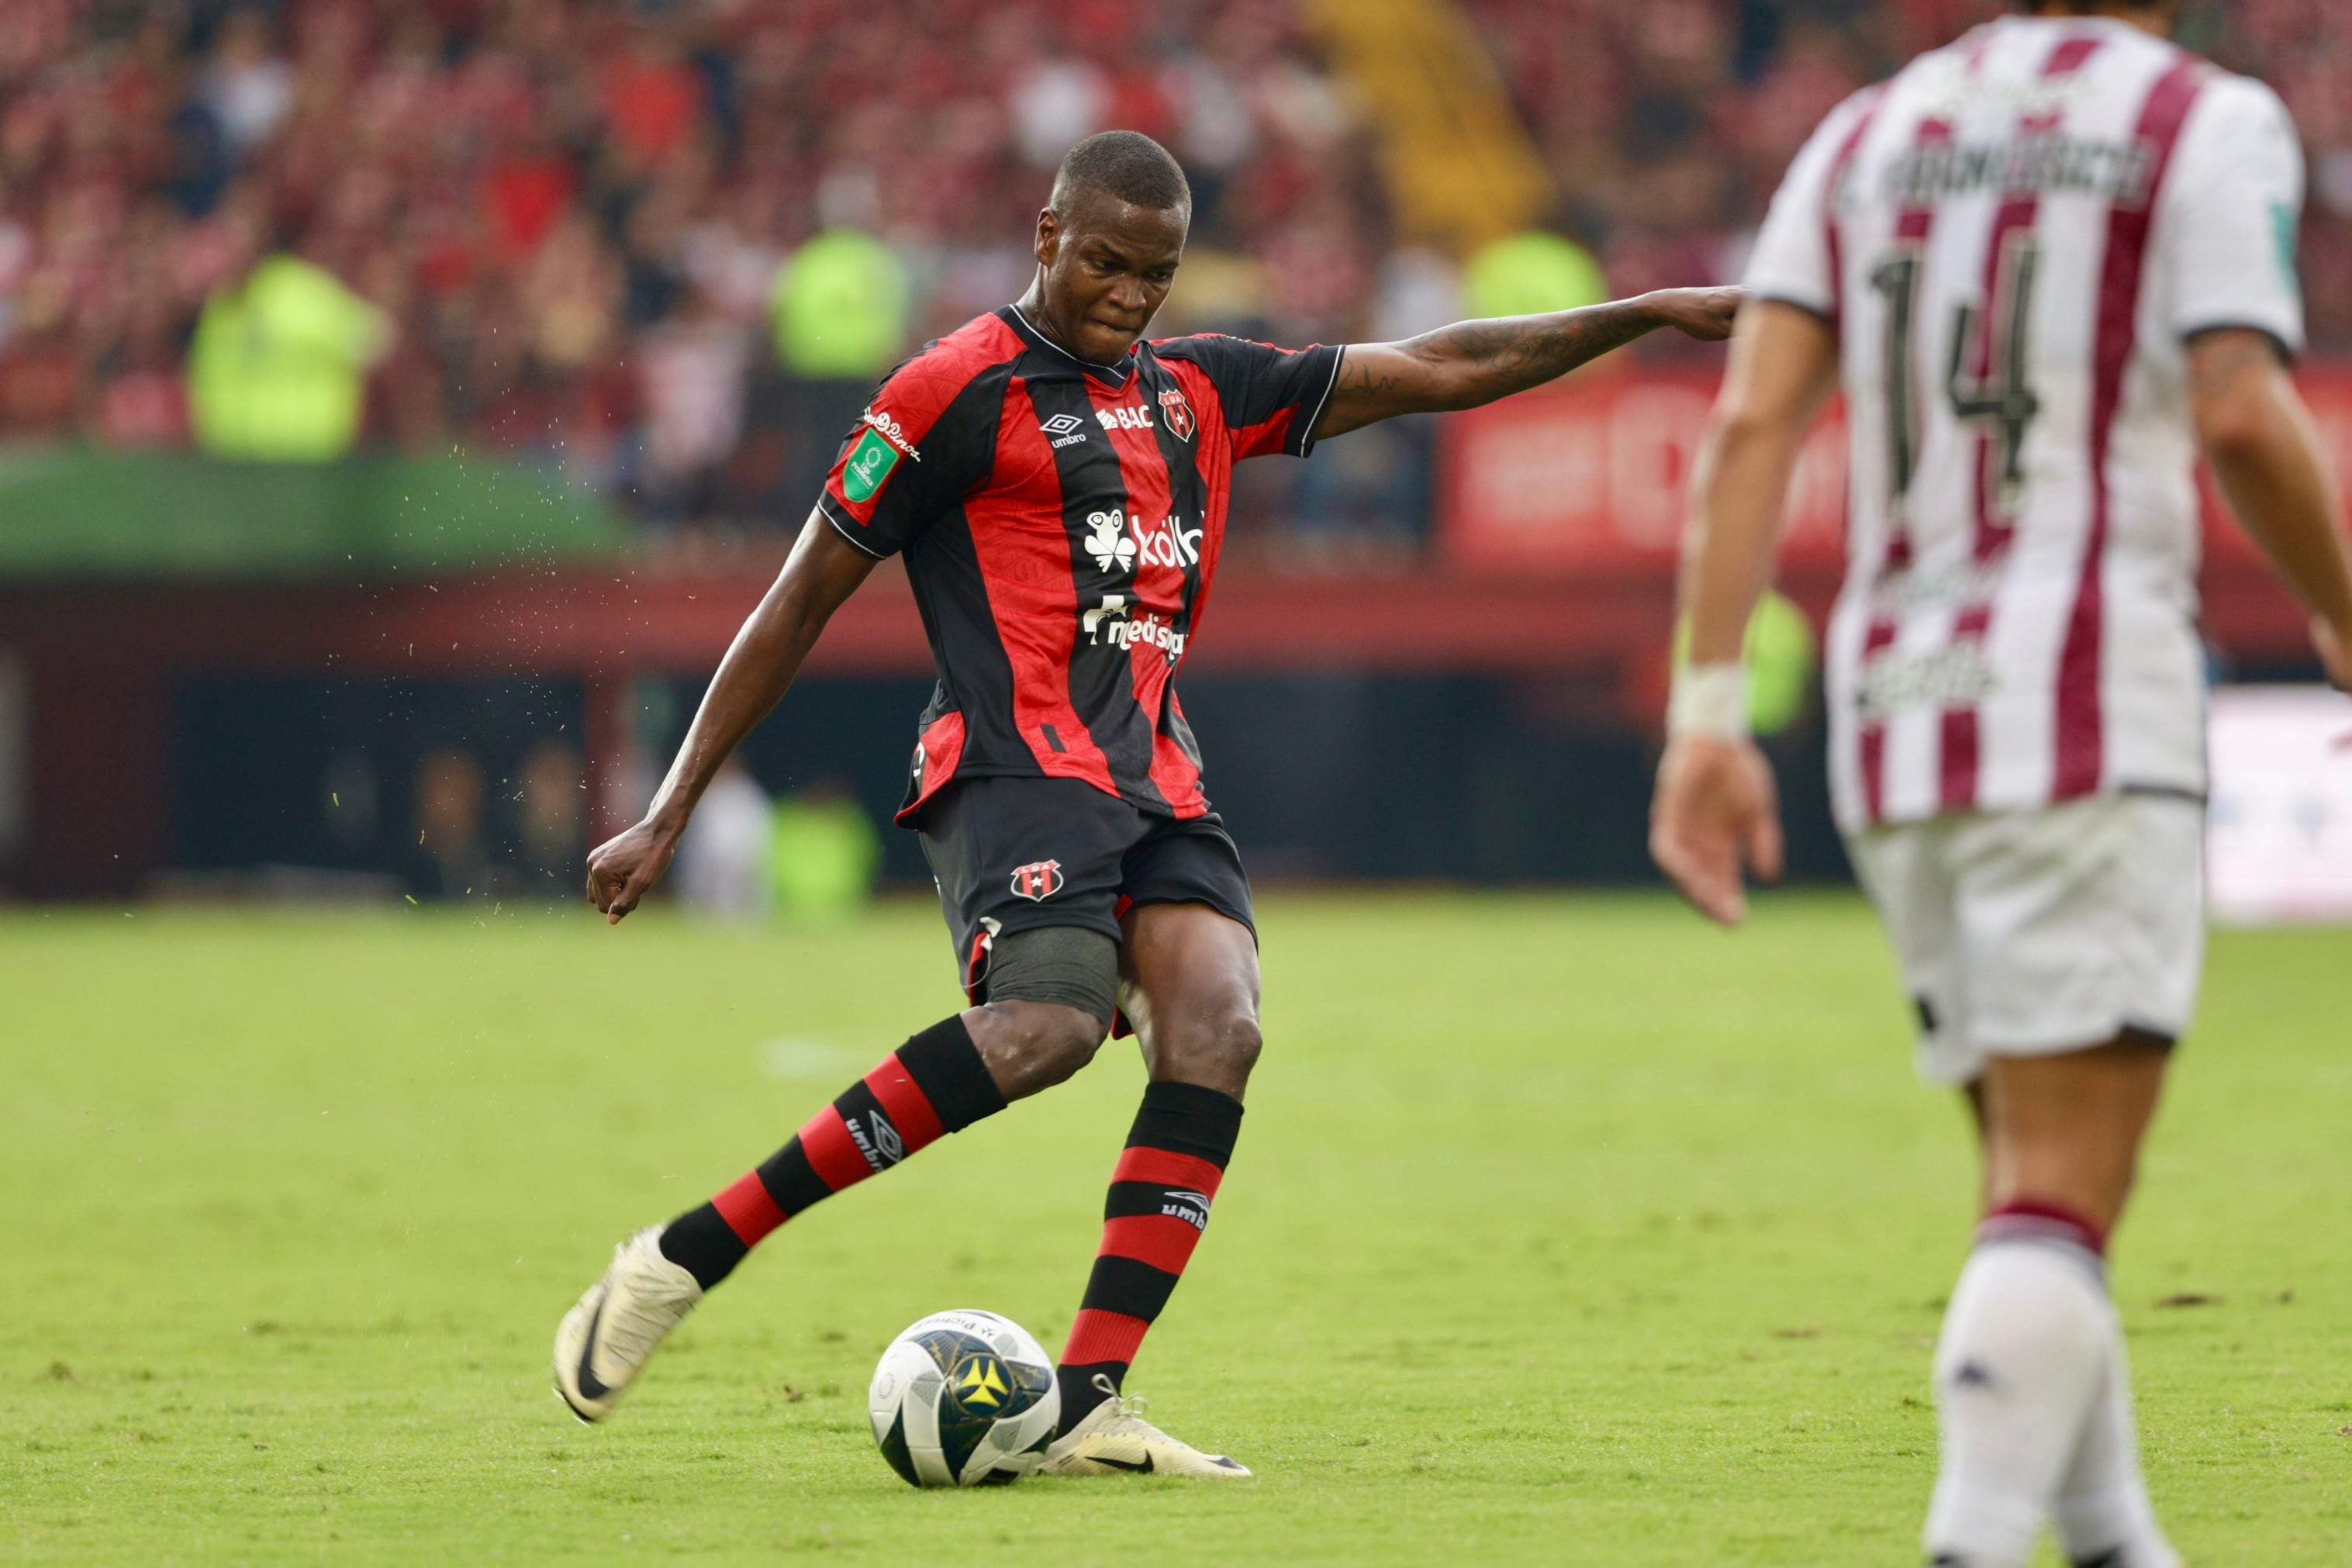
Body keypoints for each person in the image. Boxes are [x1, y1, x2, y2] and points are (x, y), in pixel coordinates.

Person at [554, 130, 1739, 1475]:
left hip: (1153, 777)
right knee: (1046, 1030)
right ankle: (676, 1259)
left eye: (1155, 272)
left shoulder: (1200, 390)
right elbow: (796, 599)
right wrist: (668, 808)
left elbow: (1445, 365)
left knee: (1219, 1025)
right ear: (1047, 236)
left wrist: (1644, 315)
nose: (1128, 293)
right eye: (1106, 262)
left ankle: (1086, 1400)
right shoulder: (948, 393)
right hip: (1011, 767)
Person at [1649, 5, 2352, 1565]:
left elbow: (1754, 420)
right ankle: (1970, 1541)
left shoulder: (1864, 132)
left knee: (2022, 1180)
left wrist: (1704, 714)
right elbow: (2235, 405)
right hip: (2086, 689)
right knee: (2059, 1190)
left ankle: (2112, 1541)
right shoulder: (2197, 119)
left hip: (1896, 705)